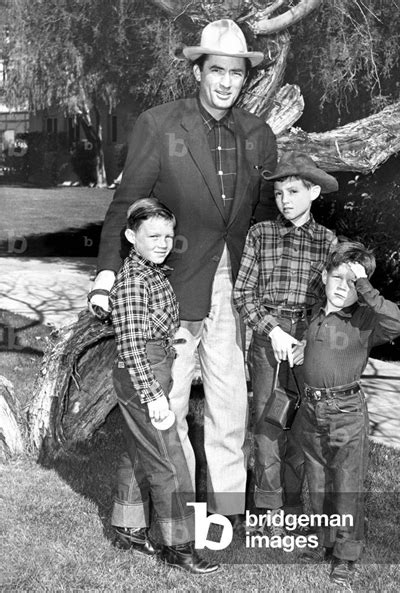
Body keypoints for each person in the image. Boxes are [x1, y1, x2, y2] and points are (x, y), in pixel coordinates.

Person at [87, 19, 278, 532]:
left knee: (229, 401)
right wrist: (107, 277)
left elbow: (260, 217)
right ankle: (174, 515)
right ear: (198, 70)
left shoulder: (259, 135)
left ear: (245, 78)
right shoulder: (159, 124)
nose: (226, 83)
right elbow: (124, 206)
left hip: (233, 287)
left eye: (236, 74)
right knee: (163, 402)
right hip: (167, 286)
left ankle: (228, 512)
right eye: (216, 70)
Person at [109, 197, 218, 574]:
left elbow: (146, 329)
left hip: (155, 366)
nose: (162, 242)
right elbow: (129, 344)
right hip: (141, 376)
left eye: (169, 235)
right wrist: (152, 395)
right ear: (130, 236)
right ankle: (179, 546)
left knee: (140, 452)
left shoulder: (154, 273)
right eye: (152, 235)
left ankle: (128, 527)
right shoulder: (134, 281)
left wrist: (173, 338)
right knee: (169, 461)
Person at [233, 151, 338, 534]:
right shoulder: (261, 234)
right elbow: (243, 294)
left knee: (301, 424)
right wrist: (273, 330)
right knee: (267, 421)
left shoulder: (327, 241)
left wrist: (307, 341)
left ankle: (292, 506)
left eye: (293, 191)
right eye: (278, 194)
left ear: (314, 192)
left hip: (307, 342)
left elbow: (333, 301)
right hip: (267, 338)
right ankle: (267, 508)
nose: (285, 200)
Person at [296, 240, 400, 586]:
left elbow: (399, 322)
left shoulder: (364, 319)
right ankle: (324, 540)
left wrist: (367, 289)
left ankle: (345, 556)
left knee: (346, 484)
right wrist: (301, 351)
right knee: (317, 479)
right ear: (325, 277)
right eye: (337, 278)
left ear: (362, 287)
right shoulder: (314, 314)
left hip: (345, 411)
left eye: (352, 281)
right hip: (311, 409)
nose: (342, 287)